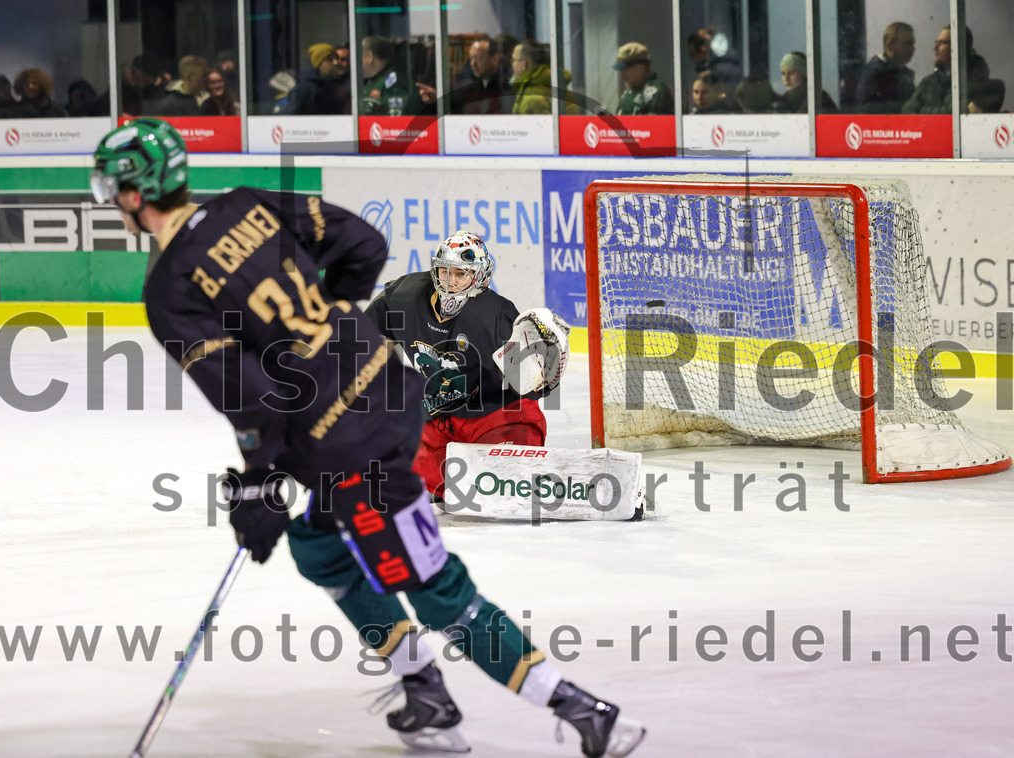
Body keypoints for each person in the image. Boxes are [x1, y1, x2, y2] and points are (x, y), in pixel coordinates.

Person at [90, 117, 646, 758]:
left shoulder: (167, 290)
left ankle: (578, 707)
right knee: (320, 550)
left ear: (133, 196)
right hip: (390, 394)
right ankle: (426, 691)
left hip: (347, 445)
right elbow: (364, 245)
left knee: (434, 587)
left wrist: (258, 479)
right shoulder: (246, 205)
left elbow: (250, 399)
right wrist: (332, 330)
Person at [363, 230, 566, 501]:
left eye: (460, 274)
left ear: (479, 276)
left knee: (506, 477)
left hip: (494, 415)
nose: (450, 281)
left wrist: (543, 375)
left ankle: (530, 478)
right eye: (445, 272)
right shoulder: (405, 295)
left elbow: (528, 388)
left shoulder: (496, 317)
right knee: (390, 474)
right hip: (439, 417)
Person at [903, 25, 989, 114]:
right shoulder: (928, 83)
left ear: (958, 47)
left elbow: (959, 115)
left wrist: (923, 111)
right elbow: (907, 113)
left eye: (942, 43)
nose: (935, 48)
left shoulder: (976, 82)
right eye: (936, 42)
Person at [417, 35, 512, 115]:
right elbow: (453, 104)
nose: (473, 63)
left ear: (495, 59)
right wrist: (437, 98)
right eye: (471, 58)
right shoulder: (466, 86)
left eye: (478, 57)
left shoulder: (507, 85)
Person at [854, 21, 916, 114]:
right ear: (890, 45)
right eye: (908, 43)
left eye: (913, 44)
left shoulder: (904, 73)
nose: (913, 48)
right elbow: (863, 110)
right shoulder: (873, 73)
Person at [361, 35, 419, 116]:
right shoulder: (370, 82)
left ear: (369, 57)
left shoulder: (394, 82)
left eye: (358, 57)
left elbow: (395, 117)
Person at [285, 42, 350, 115]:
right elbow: (292, 117)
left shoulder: (333, 86)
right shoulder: (306, 87)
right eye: (329, 59)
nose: (336, 63)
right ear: (319, 63)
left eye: (336, 58)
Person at [612, 42, 673, 116]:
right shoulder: (628, 92)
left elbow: (653, 126)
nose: (622, 75)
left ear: (640, 68)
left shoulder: (657, 93)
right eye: (620, 70)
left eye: (625, 70)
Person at [772, 51, 838, 114]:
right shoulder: (784, 100)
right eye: (783, 73)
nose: (786, 79)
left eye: (792, 73)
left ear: (803, 74)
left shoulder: (817, 97)